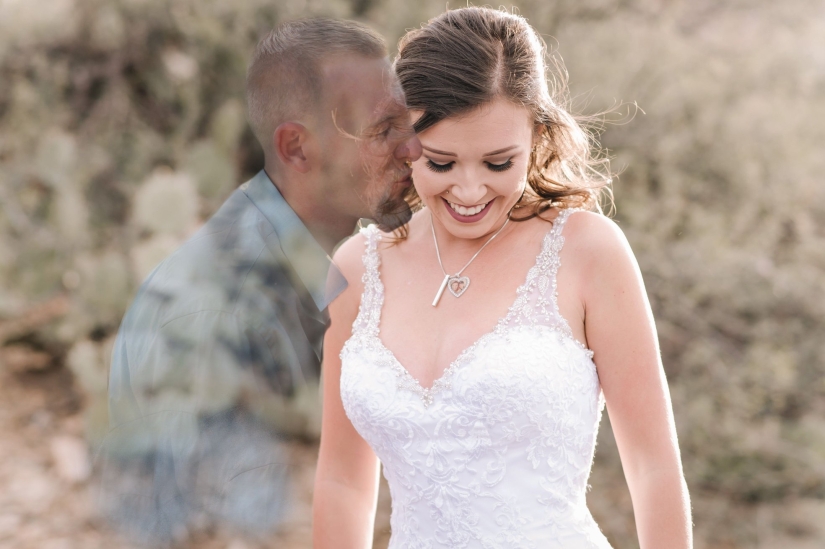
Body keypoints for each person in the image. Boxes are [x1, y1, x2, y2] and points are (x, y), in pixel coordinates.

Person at [313, 7, 692, 549]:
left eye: (498, 163)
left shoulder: (587, 252)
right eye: (441, 163)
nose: (469, 192)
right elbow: (343, 481)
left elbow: (653, 468)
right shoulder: (355, 269)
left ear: (537, 135)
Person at [101, 18, 421, 543]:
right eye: (384, 130)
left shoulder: (320, 271)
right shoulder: (215, 316)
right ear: (296, 148)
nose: (413, 150)